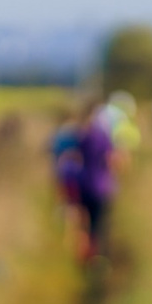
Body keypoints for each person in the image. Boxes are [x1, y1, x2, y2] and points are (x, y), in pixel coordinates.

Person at [49, 100, 123, 262]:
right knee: (99, 226)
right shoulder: (104, 137)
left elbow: (70, 159)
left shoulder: (81, 137)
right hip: (102, 188)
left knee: (84, 224)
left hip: (84, 187)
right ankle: (97, 258)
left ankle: (84, 258)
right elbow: (112, 160)